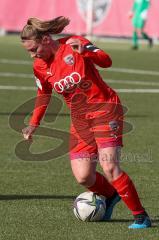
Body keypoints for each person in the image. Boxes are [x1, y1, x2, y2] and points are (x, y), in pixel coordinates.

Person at [20, 16, 151, 229]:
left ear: (45, 39)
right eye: (28, 51)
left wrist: (86, 51)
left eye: (34, 49)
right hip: (80, 119)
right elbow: (44, 94)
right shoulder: (39, 66)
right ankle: (111, 195)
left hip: (105, 109)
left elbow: (106, 61)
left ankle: (141, 216)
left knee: (109, 167)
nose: (32, 55)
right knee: (83, 176)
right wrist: (34, 123)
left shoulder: (74, 43)